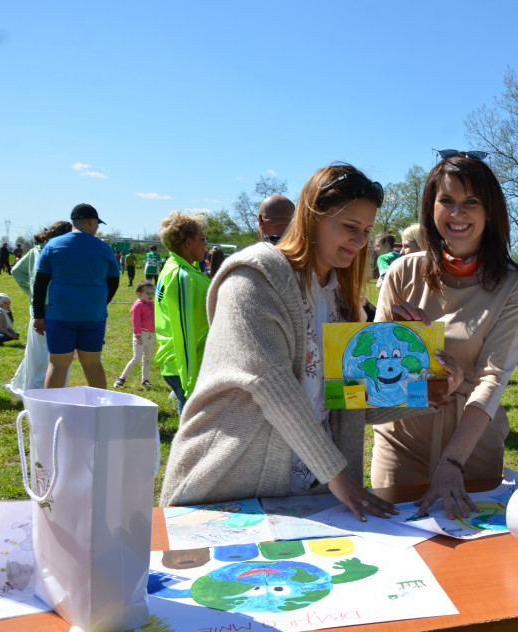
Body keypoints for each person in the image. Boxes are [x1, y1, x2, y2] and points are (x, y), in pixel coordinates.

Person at [160, 164, 457, 515]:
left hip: (310, 498)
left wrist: (428, 387)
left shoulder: (342, 300)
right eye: (349, 227)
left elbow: (346, 400)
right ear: (311, 217)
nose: (360, 241)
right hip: (228, 488)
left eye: (366, 230)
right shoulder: (255, 277)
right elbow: (271, 384)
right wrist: (337, 475)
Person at [372, 151, 518, 632]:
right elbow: (371, 370)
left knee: (456, 573)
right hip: (400, 444)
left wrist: (454, 463)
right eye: (446, 201)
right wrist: (408, 356)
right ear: (429, 207)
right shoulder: (400, 273)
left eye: (470, 203)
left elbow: (493, 378)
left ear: (490, 214)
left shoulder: (512, 284)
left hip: (472, 451)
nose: (456, 214)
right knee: (394, 576)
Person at [32, 204, 120, 388]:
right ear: (90, 221)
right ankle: (99, 413)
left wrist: (39, 315)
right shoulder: (104, 249)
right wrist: (100, 303)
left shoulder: (53, 245)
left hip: (60, 315)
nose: (97, 228)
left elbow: (40, 284)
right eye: (97, 224)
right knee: (93, 364)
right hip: (93, 316)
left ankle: (52, 414)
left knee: (57, 365)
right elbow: (114, 281)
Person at [4, 221, 73, 395]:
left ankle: (27, 387)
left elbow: (17, 271)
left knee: (35, 354)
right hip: (53, 310)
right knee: (49, 357)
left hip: (38, 308)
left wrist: (33, 293)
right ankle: (39, 394)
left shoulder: (37, 249)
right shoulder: (58, 252)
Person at [154, 211, 211, 413]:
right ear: (188, 243)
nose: (206, 245)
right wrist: (191, 384)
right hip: (186, 369)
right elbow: (184, 333)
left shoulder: (178, 268)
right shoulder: (183, 277)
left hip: (183, 366)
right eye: (202, 239)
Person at [114, 281, 156, 389]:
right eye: (147, 293)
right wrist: (138, 336)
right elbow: (136, 321)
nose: (151, 296)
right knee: (136, 359)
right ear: (139, 294)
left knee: (147, 360)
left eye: (152, 293)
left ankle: (145, 379)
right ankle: (122, 378)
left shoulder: (153, 305)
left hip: (151, 336)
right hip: (141, 336)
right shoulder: (138, 306)